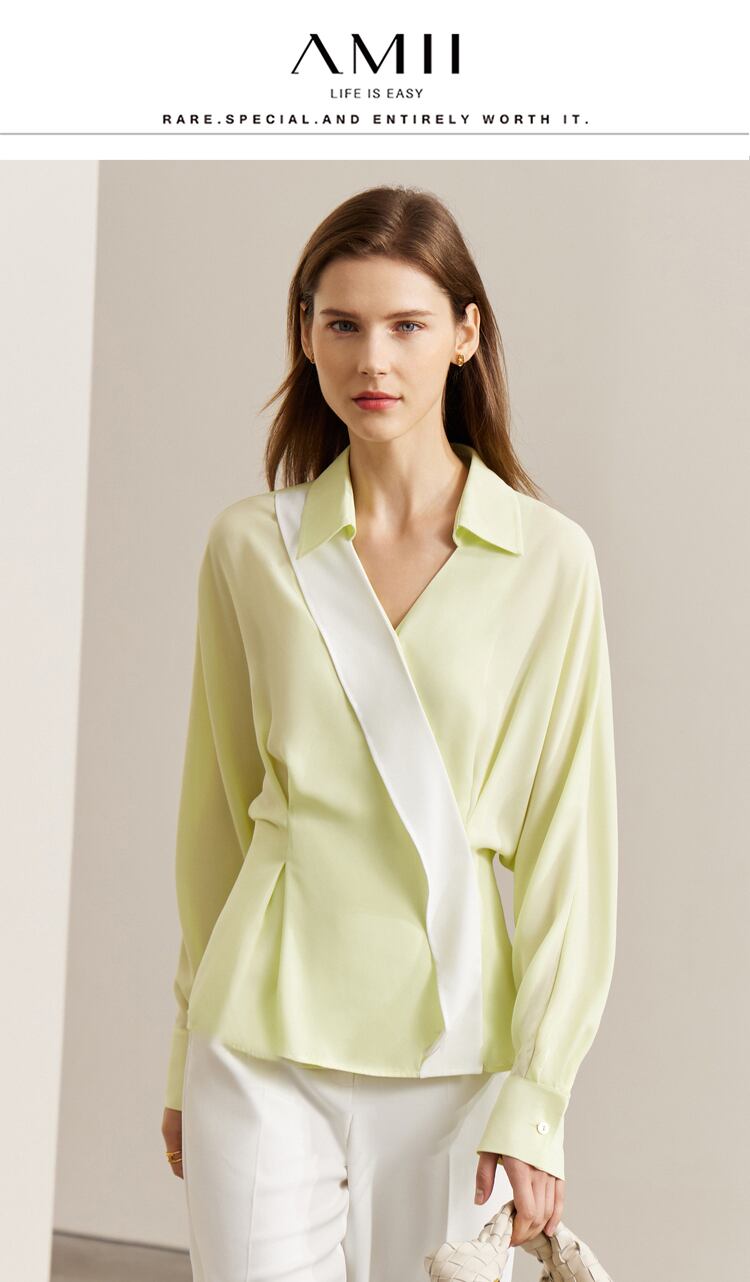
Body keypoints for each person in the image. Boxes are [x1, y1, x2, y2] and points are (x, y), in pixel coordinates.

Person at [160, 184, 618, 1282]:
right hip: (258, 1037)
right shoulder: (250, 548)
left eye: (408, 325)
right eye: (344, 323)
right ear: (306, 335)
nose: (374, 358)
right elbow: (215, 823)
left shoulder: (551, 562)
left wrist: (539, 1095)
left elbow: (570, 852)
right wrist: (182, 1049)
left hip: (454, 1044)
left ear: (465, 333)